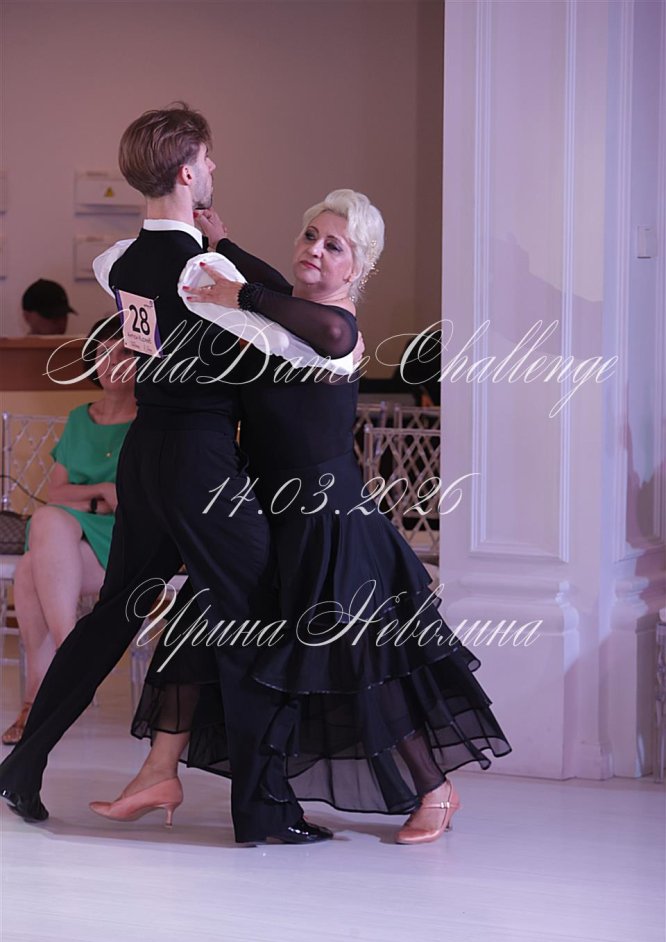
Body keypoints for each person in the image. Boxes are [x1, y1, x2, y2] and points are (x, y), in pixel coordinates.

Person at [98, 190, 510, 845]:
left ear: (359, 267)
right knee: (201, 619)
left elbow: (302, 315)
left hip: (329, 524)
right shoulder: (282, 313)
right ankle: (158, 770)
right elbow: (274, 287)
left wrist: (236, 289)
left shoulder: (337, 328)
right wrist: (224, 243)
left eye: (333, 245)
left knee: (361, 665)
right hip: (266, 512)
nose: (314, 249)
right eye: (310, 235)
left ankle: (436, 788)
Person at [0, 105, 353, 845]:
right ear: (188, 172)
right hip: (200, 459)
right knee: (261, 611)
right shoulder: (206, 272)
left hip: (146, 454)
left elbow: (153, 336)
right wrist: (232, 255)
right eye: (209, 160)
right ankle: (263, 810)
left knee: (114, 614)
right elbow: (310, 333)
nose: (215, 169)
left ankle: (22, 765)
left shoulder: (116, 262)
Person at [2, 318, 136, 745]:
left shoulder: (149, 423)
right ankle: (65, 662)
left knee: (34, 556)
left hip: (119, 544)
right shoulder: (80, 418)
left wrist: (88, 499)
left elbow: (133, 502)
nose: (110, 363)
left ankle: (41, 695)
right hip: (67, 539)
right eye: (102, 353)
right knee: (44, 529)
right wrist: (100, 493)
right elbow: (55, 492)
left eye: (123, 353)